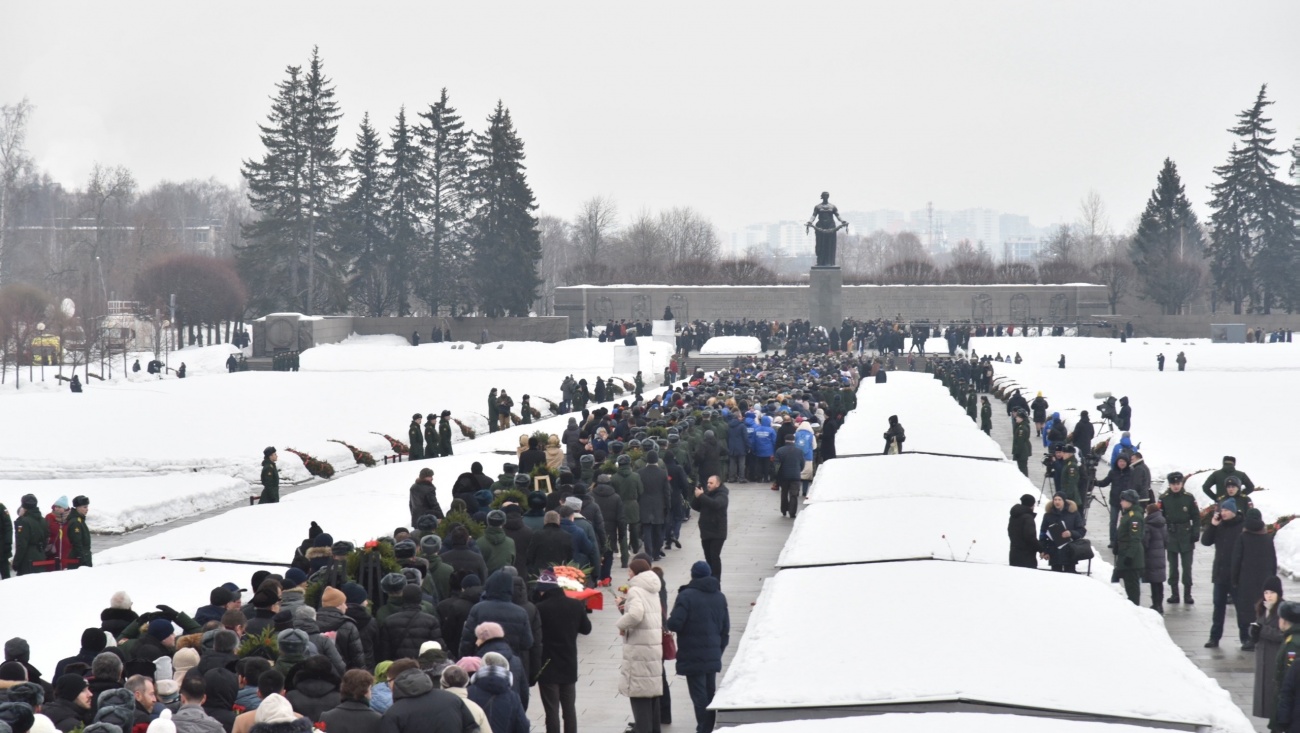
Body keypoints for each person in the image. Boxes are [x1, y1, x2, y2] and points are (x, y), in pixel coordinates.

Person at [534, 570, 591, 733]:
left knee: (551, 710)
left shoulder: (539, 608)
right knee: (569, 709)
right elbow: (586, 629)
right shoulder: (574, 605)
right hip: (569, 662)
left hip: (547, 664)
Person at [616, 559, 663, 733]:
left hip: (639, 649)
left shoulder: (635, 590)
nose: (628, 575)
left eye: (629, 572)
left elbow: (636, 615)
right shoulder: (652, 590)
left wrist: (621, 624)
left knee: (639, 694)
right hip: (652, 646)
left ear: (636, 572)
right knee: (651, 695)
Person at [377, 661, 476, 733]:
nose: (388, 685)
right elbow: (472, 728)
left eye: (388, 681)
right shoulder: (452, 699)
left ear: (395, 681)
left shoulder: (393, 713)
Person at [1203, 498, 1248, 648]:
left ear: (1234, 511)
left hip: (1236, 575)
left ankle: (1245, 638)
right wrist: (1212, 525)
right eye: (1222, 510)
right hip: (1220, 574)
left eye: (1227, 510)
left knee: (1241, 608)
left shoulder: (1242, 527)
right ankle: (1214, 638)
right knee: (1218, 607)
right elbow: (1205, 541)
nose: (1224, 513)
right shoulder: (1219, 526)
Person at [1234, 509, 1278, 651]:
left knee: (1245, 609)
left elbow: (1236, 560)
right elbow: (1273, 560)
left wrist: (1234, 580)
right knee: (1261, 610)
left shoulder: (1243, 537)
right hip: (1264, 581)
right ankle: (1259, 637)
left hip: (1246, 580)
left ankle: (1247, 638)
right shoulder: (1267, 538)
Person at [1161, 472, 1199, 605]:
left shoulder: (1188, 498)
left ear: (1182, 484)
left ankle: (1187, 594)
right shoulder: (1164, 498)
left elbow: (1195, 516)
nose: (1176, 486)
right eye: (1173, 484)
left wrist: (1195, 532)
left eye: (1178, 484)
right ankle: (1174, 593)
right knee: (1173, 567)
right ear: (1169, 484)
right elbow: (1160, 518)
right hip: (1171, 535)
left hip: (1186, 535)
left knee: (1187, 567)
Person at [1252, 577, 1285, 721]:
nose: (1268, 596)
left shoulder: (1282, 610)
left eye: (1272, 592)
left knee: (1274, 692)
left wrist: (1262, 631)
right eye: (1266, 592)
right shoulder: (1262, 608)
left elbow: (1283, 634)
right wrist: (1252, 632)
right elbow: (1257, 627)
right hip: (1263, 656)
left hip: (1274, 656)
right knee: (1265, 692)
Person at [692, 476, 729, 583]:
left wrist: (702, 496)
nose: (708, 484)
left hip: (717, 532)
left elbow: (715, 504)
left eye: (711, 483)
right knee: (708, 557)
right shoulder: (707, 494)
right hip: (705, 531)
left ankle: (716, 581)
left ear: (718, 484)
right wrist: (697, 496)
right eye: (708, 482)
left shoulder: (722, 495)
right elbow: (695, 506)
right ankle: (710, 579)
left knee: (714, 556)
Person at [1039, 493, 1085, 573]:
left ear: (1064, 501)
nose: (1057, 502)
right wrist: (1044, 550)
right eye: (1055, 500)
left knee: (1070, 573)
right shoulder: (1048, 515)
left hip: (1070, 550)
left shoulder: (1074, 514)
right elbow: (1043, 534)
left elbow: (1081, 531)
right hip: (1054, 551)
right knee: (1056, 575)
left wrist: (1071, 533)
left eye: (1059, 500)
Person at [1114, 489, 1145, 605]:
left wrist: (1129, 556)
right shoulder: (1128, 514)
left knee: (1132, 587)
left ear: (1130, 501)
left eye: (1123, 500)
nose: (1121, 502)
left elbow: (1135, 538)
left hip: (1132, 557)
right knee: (1128, 584)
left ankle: (1135, 610)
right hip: (1125, 552)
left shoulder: (1134, 517)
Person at [1142, 503, 1168, 614]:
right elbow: (1167, 541)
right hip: (1161, 557)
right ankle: (1160, 605)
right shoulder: (1163, 523)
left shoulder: (1148, 525)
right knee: (1159, 582)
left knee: (1153, 582)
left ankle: (1155, 604)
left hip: (1151, 557)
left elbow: (1145, 543)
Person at [772, 435, 804, 519]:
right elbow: (802, 464)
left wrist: (776, 475)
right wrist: (798, 471)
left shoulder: (779, 451)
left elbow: (777, 465)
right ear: (794, 441)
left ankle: (784, 510)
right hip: (795, 476)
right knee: (794, 494)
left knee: (784, 493)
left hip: (784, 476)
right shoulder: (799, 451)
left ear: (785, 440)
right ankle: (792, 512)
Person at [1007, 495, 1038, 569]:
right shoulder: (1028, 517)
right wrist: (1041, 549)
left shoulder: (1013, 516)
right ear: (1032, 505)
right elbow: (1030, 537)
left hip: (1014, 553)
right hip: (1026, 556)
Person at [1011, 411, 1031, 476]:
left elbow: (1020, 442)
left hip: (1022, 452)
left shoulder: (1021, 428)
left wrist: (1017, 453)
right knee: (1022, 468)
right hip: (1023, 452)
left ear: (1021, 418)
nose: (1016, 418)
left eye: (1017, 417)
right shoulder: (1022, 425)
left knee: (1022, 469)